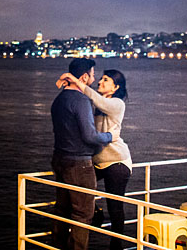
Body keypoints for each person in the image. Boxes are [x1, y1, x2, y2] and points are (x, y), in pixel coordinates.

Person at [57, 69, 131, 250]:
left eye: (106, 80)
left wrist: (74, 78)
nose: (100, 82)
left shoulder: (117, 103)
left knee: (114, 206)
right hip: (97, 161)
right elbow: (78, 99)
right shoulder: (96, 104)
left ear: (116, 87)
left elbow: (95, 97)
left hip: (116, 161)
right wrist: (68, 86)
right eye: (100, 79)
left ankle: (116, 246)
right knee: (80, 190)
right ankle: (94, 211)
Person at [51, 58, 113, 250]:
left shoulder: (59, 100)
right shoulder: (81, 100)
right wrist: (109, 136)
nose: (94, 78)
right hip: (79, 164)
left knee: (62, 210)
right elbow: (89, 135)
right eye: (93, 75)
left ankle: (57, 246)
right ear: (84, 77)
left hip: (59, 159)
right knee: (83, 214)